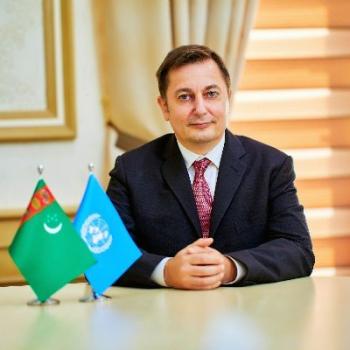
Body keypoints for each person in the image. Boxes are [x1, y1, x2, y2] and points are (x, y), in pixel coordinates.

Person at [107, 45, 314, 289]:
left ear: (227, 96)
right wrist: (165, 271)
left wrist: (230, 267)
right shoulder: (131, 170)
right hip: (162, 318)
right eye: (185, 97)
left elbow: (297, 249)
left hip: (251, 319)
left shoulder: (271, 166)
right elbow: (105, 255)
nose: (201, 109)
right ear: (164, 107)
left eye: (211, 94)